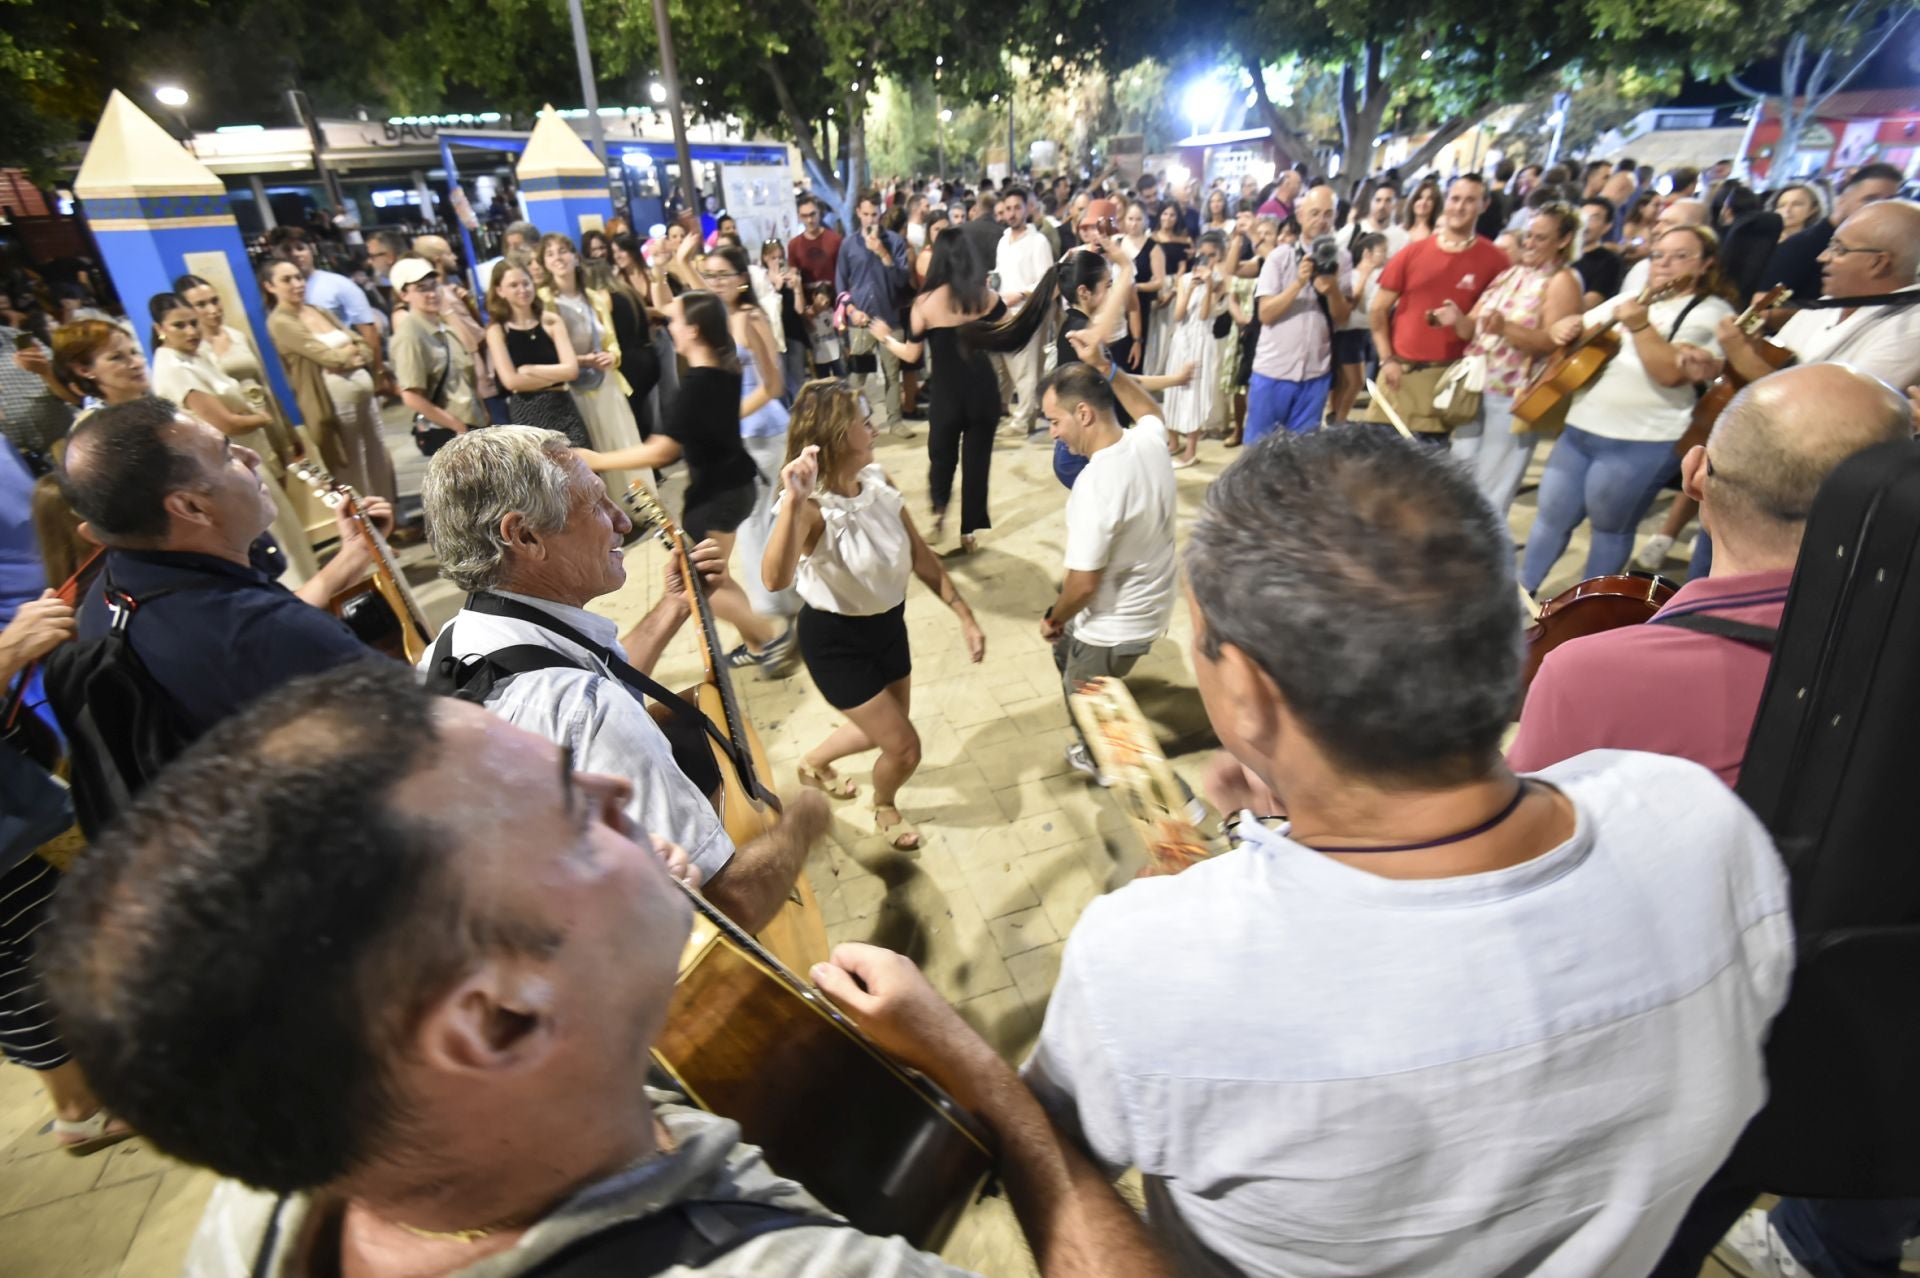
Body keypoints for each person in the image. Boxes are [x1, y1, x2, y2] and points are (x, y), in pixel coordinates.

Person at [41, 659, 1178, 1278]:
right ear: (495, 1023)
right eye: (571, 822)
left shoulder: (279, 1198)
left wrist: (604, 936)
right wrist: (987, 1083)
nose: (619, 794)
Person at [1024, 423, 1793, 1278]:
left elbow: (1063, 1155)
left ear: (1245, 690)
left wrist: (978, 1084)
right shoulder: (1699, 822)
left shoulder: (1149, 958)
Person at [421, 425, 824, 932]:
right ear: (523, 535)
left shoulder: (456, 647)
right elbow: (730, 905)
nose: (621, 522)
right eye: (594, 504)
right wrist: (805, 824)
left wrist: (676, 605)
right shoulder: (589, 711)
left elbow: (590, 677)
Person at [56, 397, 391, 738]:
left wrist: (354, 552)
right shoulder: (263, 633)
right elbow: (424, 721)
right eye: (228, 455)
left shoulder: (108, 597)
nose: (252, 457)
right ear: (191, 506)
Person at [763, 382, 985, 851]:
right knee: (903, 747)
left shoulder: (879, 482)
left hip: (889, 626)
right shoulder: (812, 510)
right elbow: (774, 579)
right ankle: (884, 804)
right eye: (865, 422)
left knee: (886, 726)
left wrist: (963, 613)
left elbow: (920, 555)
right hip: (836, 640)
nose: (876, 428)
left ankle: (814, 763)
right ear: (840, 434)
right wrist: (795, 502)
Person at [574, 289, 796, 673]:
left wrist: (597, 459)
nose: (666, 326)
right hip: (734, 483)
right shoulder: (726, 367)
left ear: (693, 331)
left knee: (697, 583)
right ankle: (760, 643)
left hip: (717, 494)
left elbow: (664, 451)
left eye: (673, 321)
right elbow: (771, 385)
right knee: (710, 575)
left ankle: (771, 636)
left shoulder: (696, 387)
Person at [1518, 224, 1734, 593]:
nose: (1665, 264)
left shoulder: (1712, 312)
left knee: (1609, 528)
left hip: (1642, 438)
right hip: (1581, 427)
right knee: (1550, 519)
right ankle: (1520, 594)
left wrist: (1638, 323)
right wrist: (1565, 328)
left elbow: (1668, 373)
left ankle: (1588, 611)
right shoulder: (1636, 294)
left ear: (1706, 264)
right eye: (1658, 255)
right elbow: (1577, 329)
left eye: (1680, 256)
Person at [1039, 349, 1178, 782]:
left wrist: (1053, 618)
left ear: (1083, 414)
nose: (1052, 434)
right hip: (1152, 608)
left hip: (1114, 627)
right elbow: (1150, 411)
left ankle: (1167, 796)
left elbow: (1081, 586)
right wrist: (1110, 371)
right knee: (1070, 658)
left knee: (1087, 700)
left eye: (1055, 421)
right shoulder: (1148, 441)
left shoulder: (1095, 486)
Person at [868, 230, 1052, 553]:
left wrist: (885, 337)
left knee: (942, 457)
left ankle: (939, 515)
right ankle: (969, 532)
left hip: (946, 393)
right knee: (977, 461)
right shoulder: (985, 297)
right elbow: (1008, 332)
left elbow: (911, 356)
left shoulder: (923, 303)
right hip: (983, 391)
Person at [147, 292, 318, 582]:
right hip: (226, 468)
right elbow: (223, 421)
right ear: (159, 329)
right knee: (274, 542)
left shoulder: (197, 356)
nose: (190, 331)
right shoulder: (173, 367)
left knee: (286, 532)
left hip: (248, 457)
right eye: (179, 325)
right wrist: (260, 418)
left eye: (193, 323)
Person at [1443, 204, 1584, 517]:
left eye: (1540, 238)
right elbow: (1472, 327)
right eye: (1528, 236)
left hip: (1512, 396)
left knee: (1491, 490)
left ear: (1563, 240)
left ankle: (1483, 557)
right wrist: (1456, 319)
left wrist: (1506, 328)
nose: (1530, 243)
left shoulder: (1561, 282)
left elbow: (1553, 343)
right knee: (1459, 477)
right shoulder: (1510, 275)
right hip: (1476, 387)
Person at [1367, 173, 1510, 437]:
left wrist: (1458, 321)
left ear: (1483, 205)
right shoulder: (1411, 253)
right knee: (1379, 467)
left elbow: (1481, 329)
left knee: (1431, 470)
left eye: (1470, 200)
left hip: (1449, 382)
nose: (1460, 206)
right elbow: (1377, 309)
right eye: (1455, 198)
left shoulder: (1496, 261)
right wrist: (1386, 359)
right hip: (1399, 374)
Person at [261, 257, 397, 504]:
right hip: (332, 403)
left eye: (298, 277)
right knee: (352, 464)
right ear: (270, 286)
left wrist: (351, 354)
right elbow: (327, 357)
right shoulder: (280, 321)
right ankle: (365, 523)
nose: (296, 283)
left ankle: (389, 514)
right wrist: (347, 354)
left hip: (364, 394)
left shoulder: (318, 309)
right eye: (286, 279)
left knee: (377, 454)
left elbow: (362, 345)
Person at [539, 233, 646, 498]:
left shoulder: (594, 298)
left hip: (607, 382)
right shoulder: (542, 301)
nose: (558, 257)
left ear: (575, 257)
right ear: (544, 263)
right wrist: (581, 361)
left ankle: (637, 505)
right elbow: (545, 352)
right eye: (550, 253)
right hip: (571, 388)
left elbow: (611, 340)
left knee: (619, 443)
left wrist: (612, 356)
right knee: (590, 450)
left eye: (563, 250)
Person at [1245, 184, 1351, 441]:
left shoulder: (1343, 259)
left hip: (1315, 373)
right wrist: (1298, 283)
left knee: (1302, 455)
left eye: (1327, 214)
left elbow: (1342, 317)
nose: (1321, 221)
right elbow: (1266, 314)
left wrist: (1333, 289)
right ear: (1301, 215)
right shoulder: (1280, 258)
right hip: (1273, 372)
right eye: (1314, 213)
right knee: (1258, 452)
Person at [172, 274, 299, 464]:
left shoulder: (237, 336)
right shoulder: (193, 354)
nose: (212, 310)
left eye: (215, 301)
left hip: (266, 419)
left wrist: (287, 431)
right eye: (200, 304)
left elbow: (265, 383)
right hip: (238, 435)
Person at [265, 227, 389, 394]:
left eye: (300, 248)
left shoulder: (338, 284)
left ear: (311, 250)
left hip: (349, 376)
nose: (295, 254)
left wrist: (377, 371)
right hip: (311, 383)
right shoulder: (274, 302)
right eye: (287, 250)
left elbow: (367, 329)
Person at [483, 259, 589, 446]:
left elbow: (572, 371)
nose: (522, 289)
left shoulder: (551, 321)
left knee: (583, 467)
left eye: (526, 283)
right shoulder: (496, 330)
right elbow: (511, 381)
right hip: (527, 412)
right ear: (500, 291)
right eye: (513, 285)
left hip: (563, 406)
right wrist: (556, 376)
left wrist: (529, 370)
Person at [835, 190, 913, 437]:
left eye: (875, 214)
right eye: (866, 214)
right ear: (858, 213)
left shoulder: (894, 242)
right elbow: (841, 282)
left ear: (881, 213)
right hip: (860, 321)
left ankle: (895, 421)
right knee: (857, 376)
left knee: (892, 373)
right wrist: (850, 309)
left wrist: (883, 253)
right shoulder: (848, 245)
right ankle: (851, 424)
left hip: (889, 318)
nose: (870, 219)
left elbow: (902, 281)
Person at [387, 255, 485, 449]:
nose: (431, 293)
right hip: (452, 432)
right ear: (404, 294)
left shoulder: (442, 325)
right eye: (421, 288)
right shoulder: (410, 335)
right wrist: (457, 426)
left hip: (470, 425)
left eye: (434, 285)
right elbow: (411, 396)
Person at [993, 186, 1057, 440]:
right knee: (1011, 368)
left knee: (1027, 369)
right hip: (1005, 311)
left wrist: (1020, 294)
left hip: (1028, 312)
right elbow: (1000, 272)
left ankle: (1023, 421)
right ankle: (1024, 413)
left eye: (1016, 208)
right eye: (1008, 209)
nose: (1012, 213)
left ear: (1027, 209)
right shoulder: (1003, 239)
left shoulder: (1038, 241)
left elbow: (1047, 281)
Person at [1160, 231, 1228, 464]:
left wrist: (1208, 286)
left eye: (1212, 256)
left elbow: (1205, 313)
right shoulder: (1185, 279)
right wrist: (1189, 289)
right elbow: (1178, 315)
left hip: (1202, 341)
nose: (1206, 260)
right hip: (1181, 339)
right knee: (1173, 390)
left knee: (1195, 394)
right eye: (1203, 254)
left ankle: (1191, 449)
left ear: (1219, 257)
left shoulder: (1221, 283)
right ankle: (1173, 441)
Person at [1142, 202, 1193, 378]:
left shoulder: (1184, 240)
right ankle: (1150, 373)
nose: (1167, 218)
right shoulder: (1150, 238)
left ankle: (1166, 373)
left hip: (1175, 286)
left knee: (1170, 331)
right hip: (1155, 283)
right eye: (1164, 214)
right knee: (1152, 331)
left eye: (1172, 215)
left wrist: (1172, 292)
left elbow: (1183, 268)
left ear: (1177, 218)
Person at [1121, 200, 1167, 375]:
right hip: (1118, 303)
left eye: (1138, 219)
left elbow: (1159, 281)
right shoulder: (1117, 242)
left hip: (1140, 302)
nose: (1134, 223)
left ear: (1146, 220)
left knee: (1135, 352)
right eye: (1130, 218)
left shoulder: (1152, 248)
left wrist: (1136, 287)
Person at [1574, 197, 1626, 307]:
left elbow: (1590, 303)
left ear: (1607, 226)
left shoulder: (1610, 262)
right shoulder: (1561, 252)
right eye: (1582, 216)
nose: (1585, 224)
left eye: (1593, 219)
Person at [787, 193, 843, 292]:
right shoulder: (794, 245)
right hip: (807, 301)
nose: (809, 220)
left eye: (812, 214)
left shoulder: (835, 240)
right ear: (799, 217)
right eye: (805, 216)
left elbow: (843, 273)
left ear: (819, 212)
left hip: (833, 298)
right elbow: (793, 273)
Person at [476, 218, 540, 295]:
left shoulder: (544, 267)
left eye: (517, 246)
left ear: (535, 246)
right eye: (508, 246)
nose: (511, 251)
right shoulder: (499, 271)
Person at [1401, 177, 1441, 244]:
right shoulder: (1401, 228)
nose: (1423, 202)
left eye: (1429, 199)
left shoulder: (1437, 233)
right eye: (1420, 198)